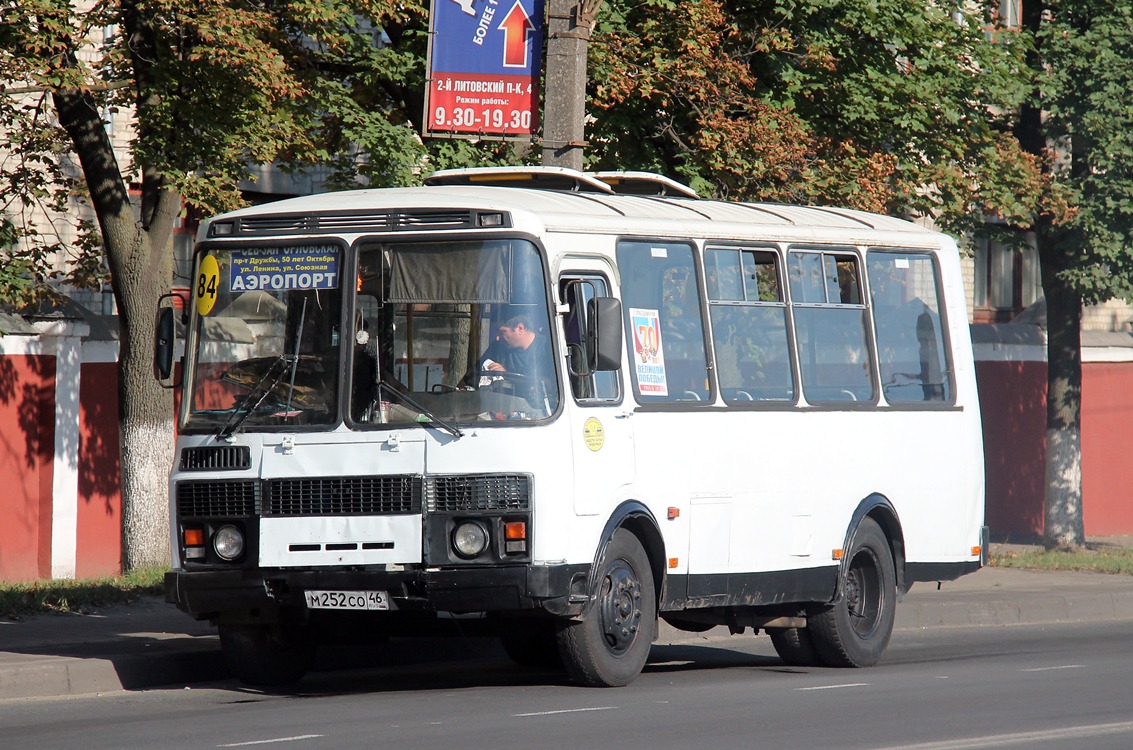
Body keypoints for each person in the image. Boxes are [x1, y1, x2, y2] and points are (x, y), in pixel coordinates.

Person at [482, 314, 552, 379]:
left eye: (502, 332)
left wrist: (506, 374)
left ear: (520, 328)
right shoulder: (497, 347)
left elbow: (541, 384)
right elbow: (475, 374)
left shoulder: (548, 349)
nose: (497, 337)